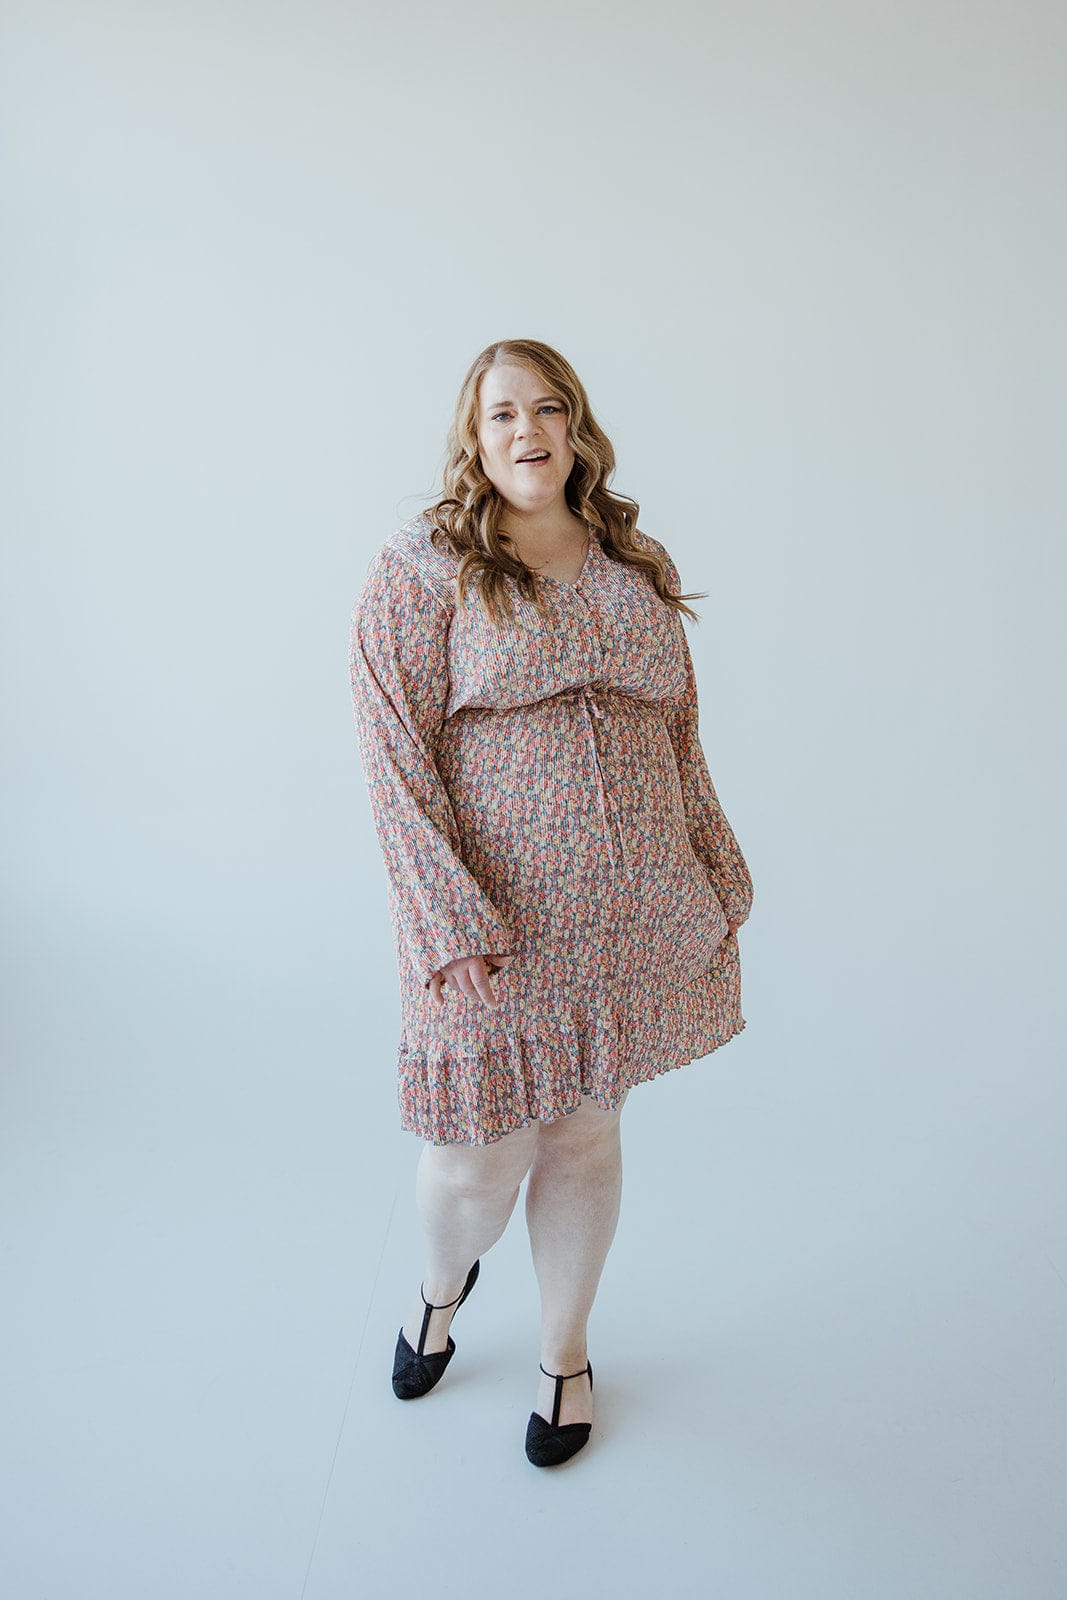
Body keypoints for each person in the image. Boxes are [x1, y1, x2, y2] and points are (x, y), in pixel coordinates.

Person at [348, 338, 753, 1467]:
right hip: (492, 923)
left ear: (574, 424)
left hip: (627, 912)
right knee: (479, 1157)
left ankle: (564, 1354)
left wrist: (716, 868)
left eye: (546, 408)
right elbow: (392, 755)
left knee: (583, 1136)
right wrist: (445, 919)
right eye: (500, 416)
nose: (526, 430)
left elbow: (676, 735)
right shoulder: (427, 564)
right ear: (473, 442)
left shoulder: (631, 559)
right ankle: (442, 1284)